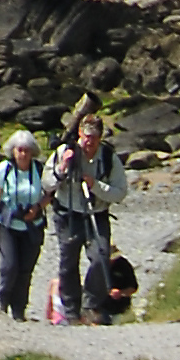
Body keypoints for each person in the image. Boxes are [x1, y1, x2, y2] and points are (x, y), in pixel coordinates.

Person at [49, 108, 128, 323]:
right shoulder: (65, 151)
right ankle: (71, 310)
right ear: (79, 136)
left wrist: (96, 186)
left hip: (97, 213)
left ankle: (90, 304)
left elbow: (120, 193)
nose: (88, 143)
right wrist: (62, 166)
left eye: (93, 138)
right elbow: (47, 183)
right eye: (85, 137)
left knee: (101, 256)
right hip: (68, 213)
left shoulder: (108, 158)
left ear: (100, 138)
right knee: (68, 262)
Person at [0, 130, 49, 320]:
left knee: (25, 269)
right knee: (10, 265)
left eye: (26, 150)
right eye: (19, 150)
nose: (23, 154)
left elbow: (50, 193)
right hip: (7, 224)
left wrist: (38, 207)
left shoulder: (40, 170)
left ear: (32, 152)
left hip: (33, 226)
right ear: (13, 151)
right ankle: (3, 302)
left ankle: (19, 309)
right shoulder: (4, 168)